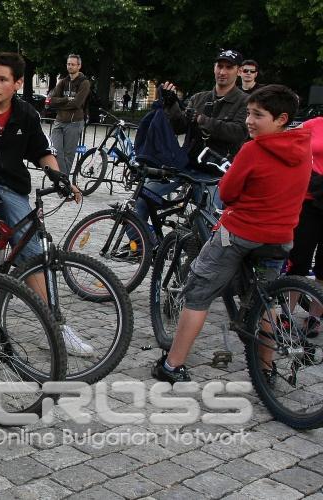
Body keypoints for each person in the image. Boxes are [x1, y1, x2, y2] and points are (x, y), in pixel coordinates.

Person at [152, 85, 312, 383]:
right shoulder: (302, 146)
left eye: (258, 115)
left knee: (199, 292)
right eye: (249, 113)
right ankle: (266, 371)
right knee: (268, 301)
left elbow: (226, 192)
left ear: (281, 118)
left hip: (241, 233)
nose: (250, 121)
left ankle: (172, 365)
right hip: (279, 237)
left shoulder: (254, 149)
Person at [0, 52, 93, 356]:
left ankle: (56, 326)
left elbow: (42, 151)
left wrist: (61, 178)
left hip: (12, 186)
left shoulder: (26, 114)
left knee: (32, 253)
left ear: (17, 83)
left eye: (3, 79)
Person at [129, 49, 250, 250]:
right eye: (220, 66)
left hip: (216, 173)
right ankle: (146, 247)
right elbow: (179, 127)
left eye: (229, 67)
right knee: (143, 197)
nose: (223, 71)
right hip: (187, 166)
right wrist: (171, 104)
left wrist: (204, 121)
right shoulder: (200, 98)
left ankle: (205, 259)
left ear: (238, 71)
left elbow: (239, 132)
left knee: (210, 222)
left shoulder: (244, 102)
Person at [285, 116, 323, 334]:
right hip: (310, 200)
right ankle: (287, 313)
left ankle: (314, 317)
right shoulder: (314, 124)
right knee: (299, 257)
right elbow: (288, 141)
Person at [48, 54, 90, 176]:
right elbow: (51, 100)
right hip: (59, 120)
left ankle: (63, 181)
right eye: (68, 64)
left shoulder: (84, 83)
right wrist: (66, 99)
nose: (70, 66)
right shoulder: (63, 82)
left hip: (74, 122)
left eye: (73, 64)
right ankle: (63, 179)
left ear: (79, 66)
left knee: (68, 154)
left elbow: (77, 103)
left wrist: (61, 102)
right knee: (55, 151)